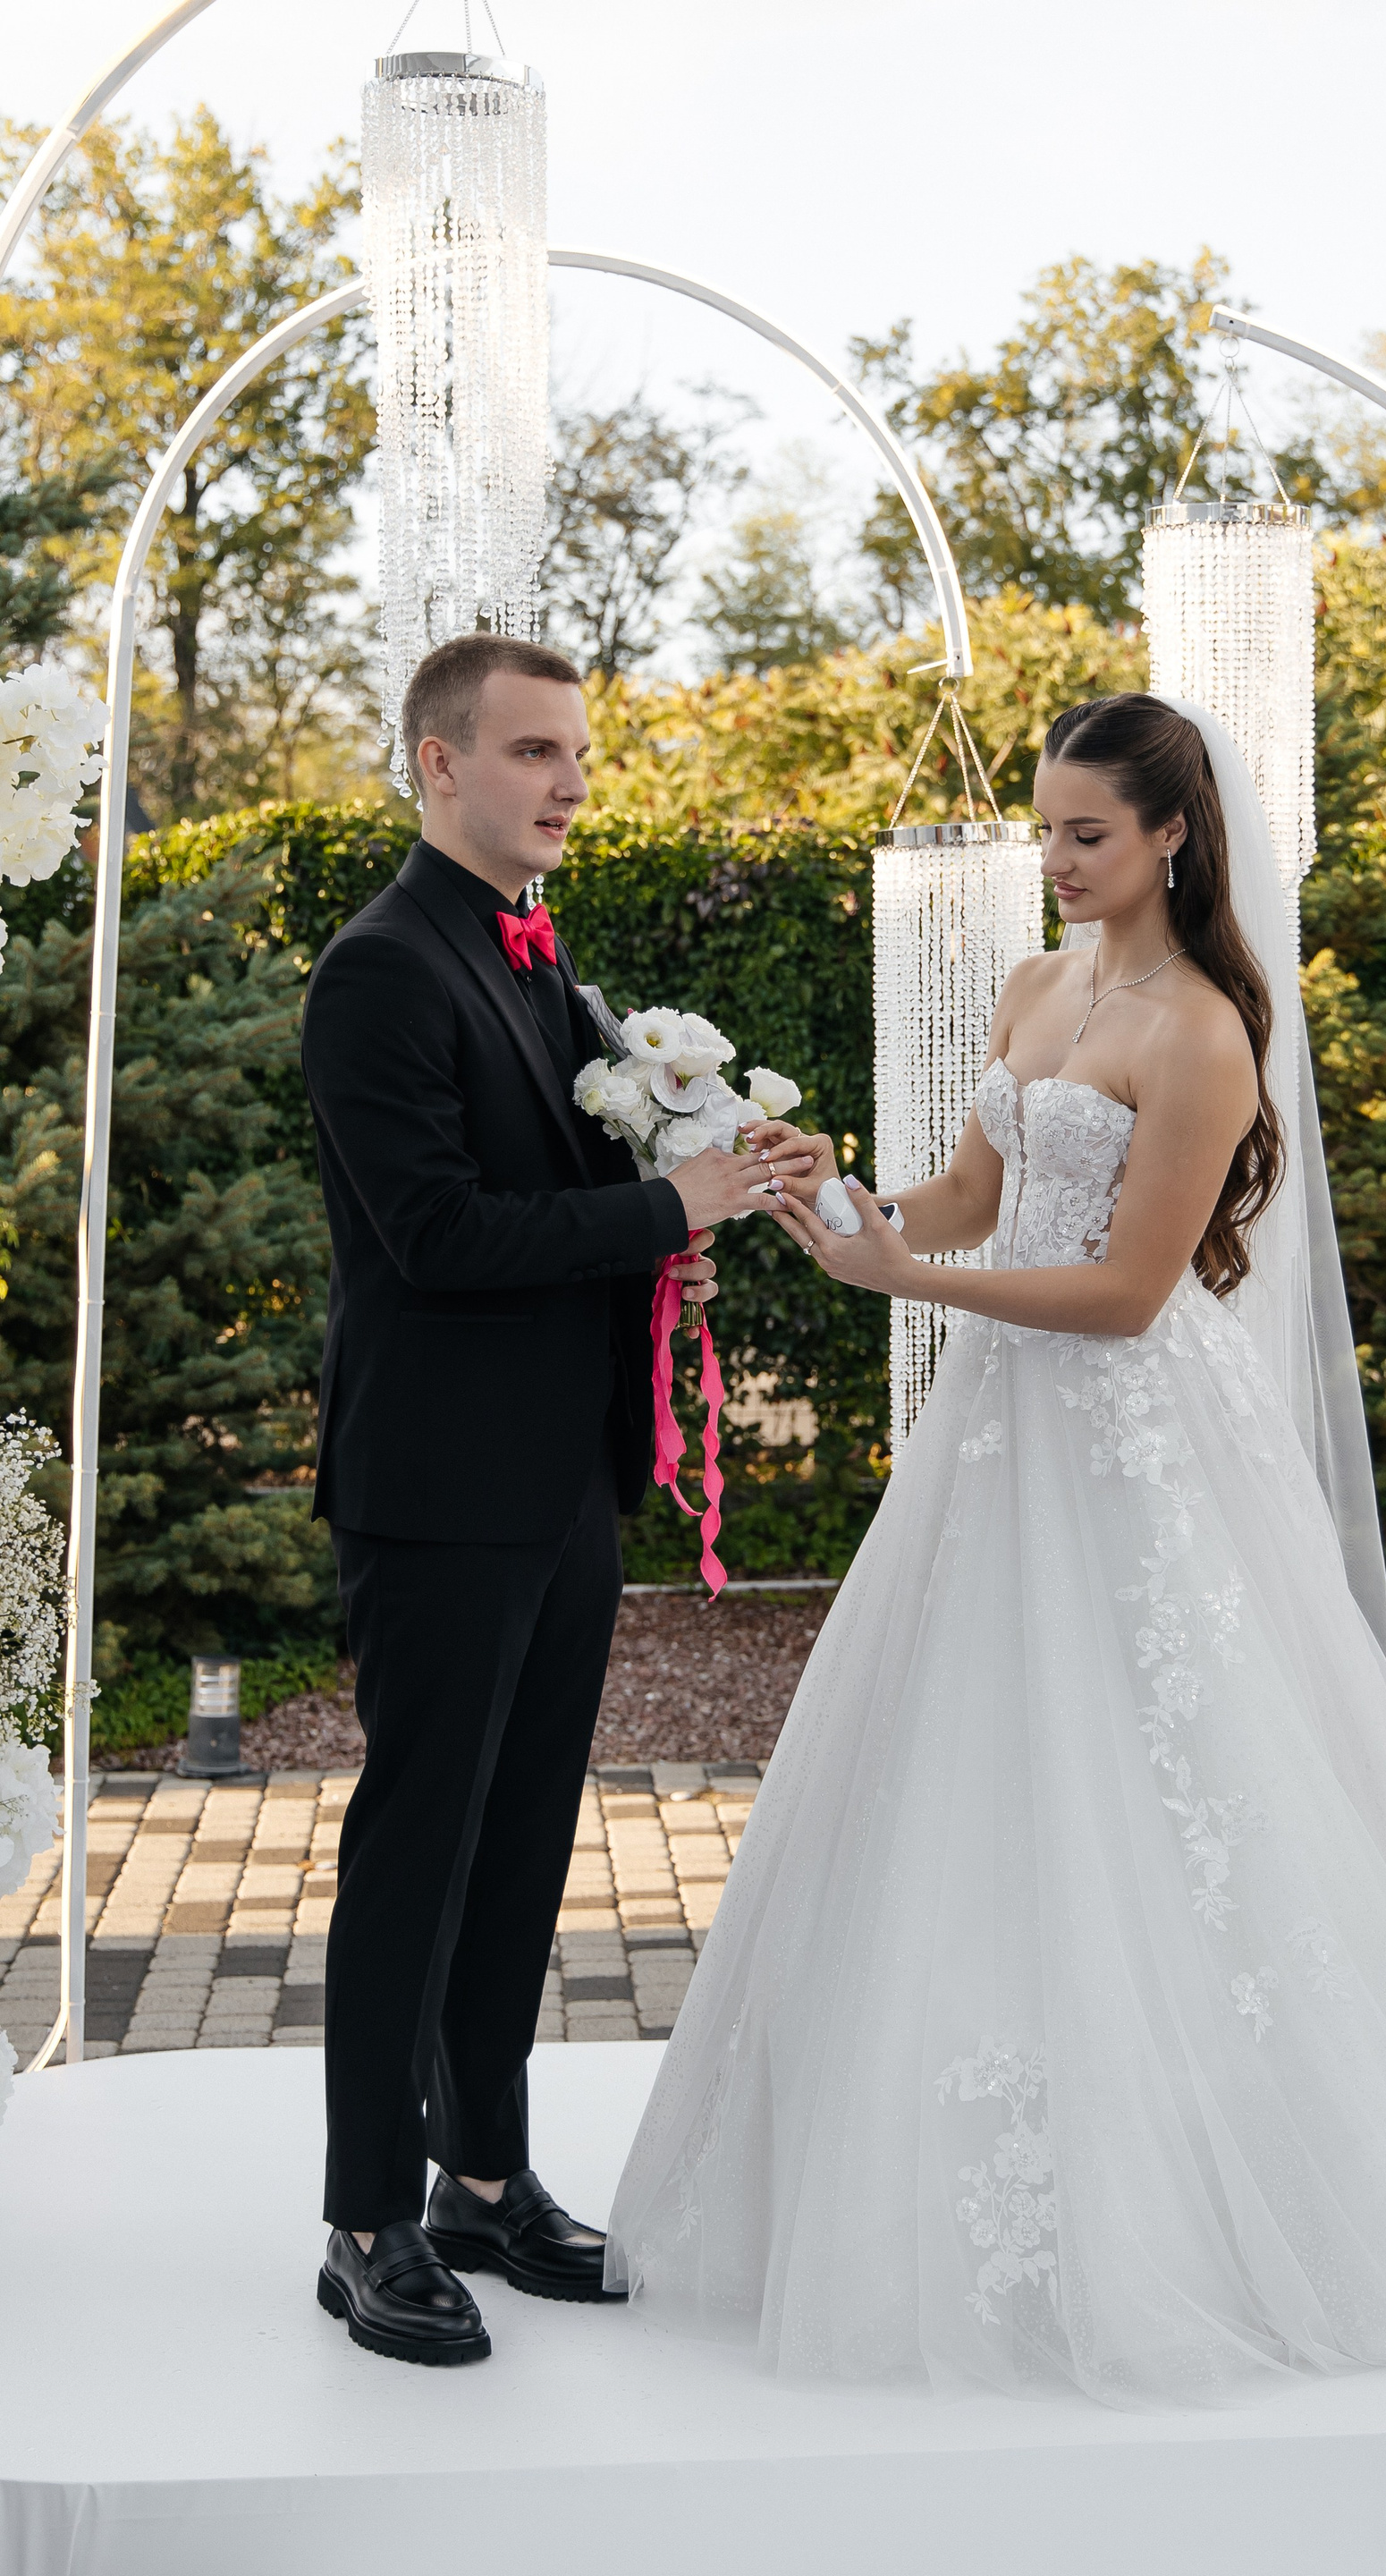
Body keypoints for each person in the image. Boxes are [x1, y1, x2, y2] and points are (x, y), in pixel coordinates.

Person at [604, 693, 1386, 2408]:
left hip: (1132, 1434)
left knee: (1179, 1775)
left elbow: (1130, 1293)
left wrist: (915, 1284)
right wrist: (840, 1199)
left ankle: (1241, 2168)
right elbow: (972, 1202)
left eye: (1088, 834)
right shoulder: (1035, 987)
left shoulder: (1202, 1032)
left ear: (1173, 834)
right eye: (1046, 829)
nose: (1056, 860)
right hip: (997, 1430)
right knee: (967, 1762)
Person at [300, 631, 812, 2367]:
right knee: (417, 1858)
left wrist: (685, 1199)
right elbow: (436, 1236)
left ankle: (478, 2181)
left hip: (565, 1478)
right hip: (439, 1487)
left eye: (577, 752)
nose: (570, 782)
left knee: (520, 1848)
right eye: (532, 752)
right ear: (438, 764)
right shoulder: (381, 969)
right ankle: (363, 2218)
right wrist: (675, 1207)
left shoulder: (539, 953)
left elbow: (560, 1180)